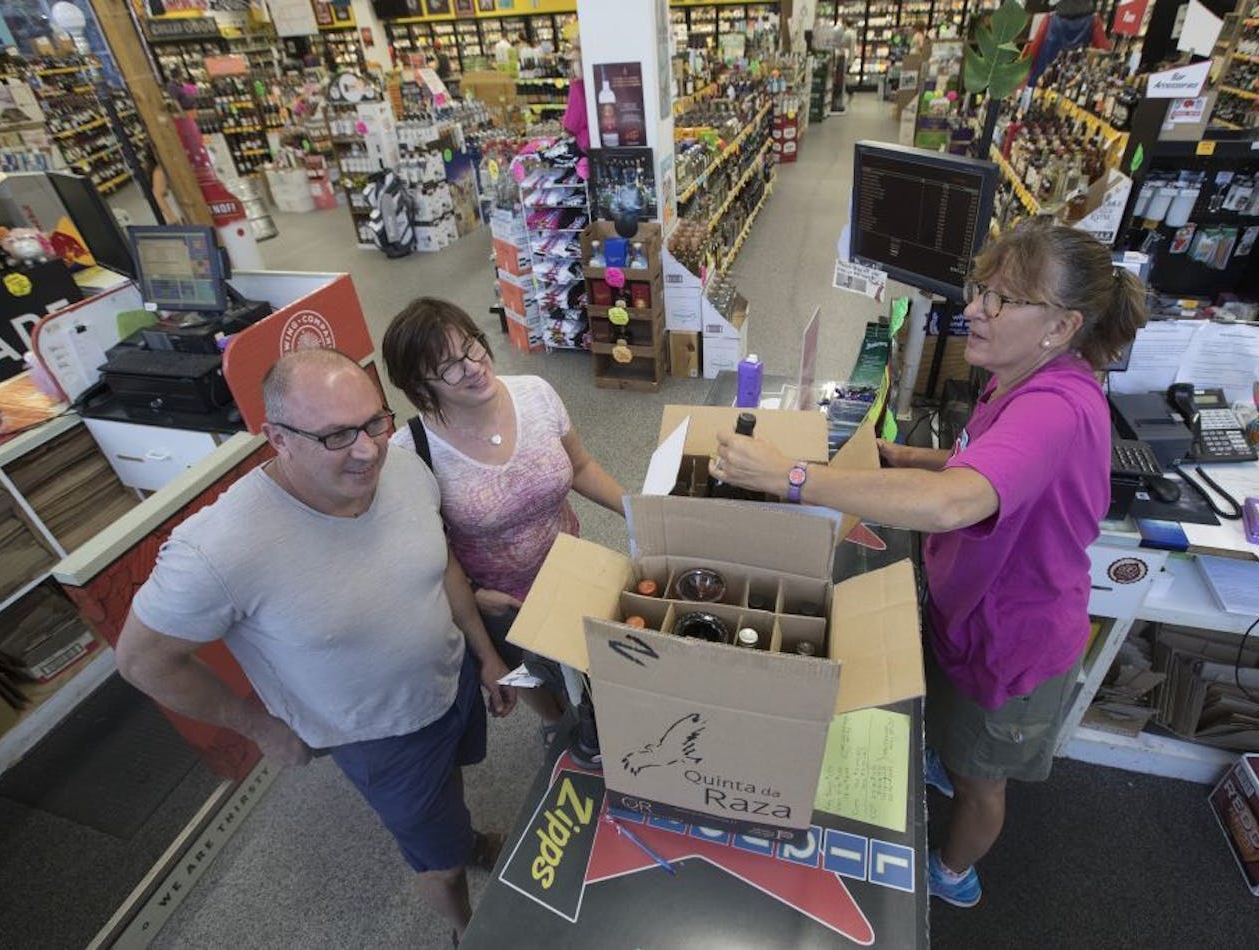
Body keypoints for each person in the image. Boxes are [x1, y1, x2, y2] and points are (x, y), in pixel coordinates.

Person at [712, 220, 1145, 908]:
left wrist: (791, 476)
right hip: (967, 615)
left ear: (1060, 328)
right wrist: (909, 459)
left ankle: (952, 870)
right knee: (950, 733)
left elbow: (952, 505)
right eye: (980, 290)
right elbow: (981, 462)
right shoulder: (1016, 375)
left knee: (982, 781)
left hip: (1010, 645)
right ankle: (949, 757)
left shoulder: (1057, 407)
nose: (973, 309)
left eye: (1000, 301)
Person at [115, 348, 516, 942]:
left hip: (450, 683)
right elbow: (141, 659)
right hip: (376, 737)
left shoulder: (401, 467)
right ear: (276, 438)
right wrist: (259, 727)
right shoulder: (217, 549)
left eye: (374, 421)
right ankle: (470, 929)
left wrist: (485, 655)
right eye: (334, 436)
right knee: (438, 862)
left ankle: (461, 835)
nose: (366, 450)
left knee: (449, 790)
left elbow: (443, 567)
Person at [381, 298, 625, 746]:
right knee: (537, 681)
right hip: (500, 602)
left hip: (571, 568)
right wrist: (476, 611)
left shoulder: (535, 393)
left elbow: (583, 467)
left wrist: (636, 511)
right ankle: (554, 727)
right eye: (450, 366)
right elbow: (431, 554)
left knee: (596, 670)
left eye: (472, 345)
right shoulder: (410, 452)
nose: (474, 365)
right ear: (419, 387)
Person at [1024, 0, 1113, 85]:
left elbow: (1033, 51)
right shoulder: (1094, 21)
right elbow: (1104, 53)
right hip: (1072, 82)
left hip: (1042, 77)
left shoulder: (1050, 19)